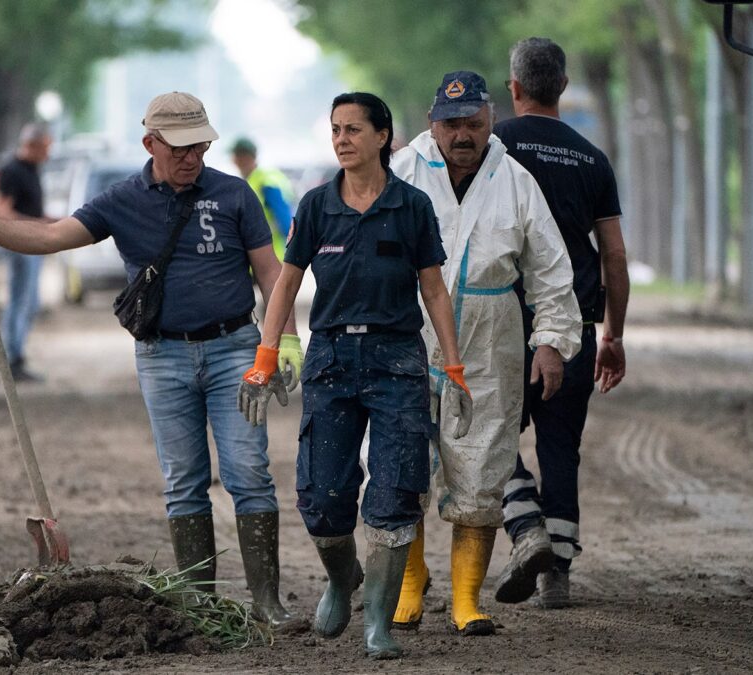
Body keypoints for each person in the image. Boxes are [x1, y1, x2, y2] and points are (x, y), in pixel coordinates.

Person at [0, 92, 306, 631]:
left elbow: (272, 274)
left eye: (201, 144)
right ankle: (199, 609)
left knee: (249, 473)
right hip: (162, 356)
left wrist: (285, 342)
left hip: (235, 350)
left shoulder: (234, 195)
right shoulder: (120, 201)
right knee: (184, 478)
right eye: (180, 147)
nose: (193, 156)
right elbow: (50, 236)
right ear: (150, 144)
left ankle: (268, 605)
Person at [238, 92, 474, 659]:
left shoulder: (412, 207)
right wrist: (266, 358)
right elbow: (287, 283)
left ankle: (378, 623)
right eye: (336, 130)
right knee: (322, 495)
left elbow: (434, 289)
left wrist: (454, 366)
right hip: (332, 360)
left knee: (395, 490)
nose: (342, 139)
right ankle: (342, 580)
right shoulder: (318, 205)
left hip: (397, 361)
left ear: (383, 137)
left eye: (353, 130)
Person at [389, 70, 582, 635]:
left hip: (491, 338)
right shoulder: (401, 173)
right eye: (451, 125)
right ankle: (409, 585)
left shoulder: (516, 180)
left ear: (491, 120)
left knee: (482, 465)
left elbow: (550, 271)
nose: (462, 135)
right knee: (403, 466)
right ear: (432, 125)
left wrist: (550, 343)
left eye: (473, 123)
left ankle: (466, 599)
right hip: (408, 335)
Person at [494, 37, 629, 609]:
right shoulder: (592, 159)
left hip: (500, 322)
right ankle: (558, 575)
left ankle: (525, 525)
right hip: (572, 326)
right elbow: (614, 256)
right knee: (561, 446)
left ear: (514, 88)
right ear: (564, 88)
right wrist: (614, 334)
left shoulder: (491, 148)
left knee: (489, 436)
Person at [0, 123, 52, 382]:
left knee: (30, 301)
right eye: (46, 148)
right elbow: (0, 212)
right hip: (20, 245)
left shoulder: (31, 169)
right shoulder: (12, 171)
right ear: (33, 146)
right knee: (20, 300)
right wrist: (37, 224)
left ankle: (16, 355)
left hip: (32, 242)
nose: (48, 154)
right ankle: (12, 359)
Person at [230, 138, 296, 259]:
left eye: (236, 156)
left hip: (272, 258)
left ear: (244, 157)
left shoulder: (265, 182)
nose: (233, 160)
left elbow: (286, 223)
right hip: (261, 258)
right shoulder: (251, 180)